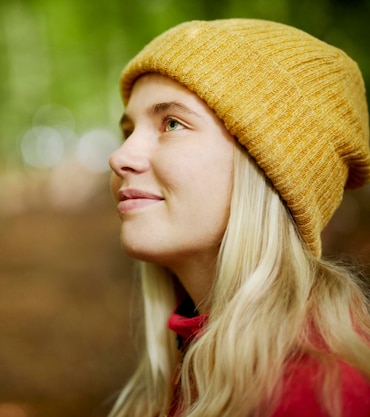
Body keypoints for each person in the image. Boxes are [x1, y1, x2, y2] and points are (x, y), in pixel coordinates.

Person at [107, 18, 370, 417]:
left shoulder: (318, 395)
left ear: (265, 168)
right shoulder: (198, 360)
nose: (120, 156)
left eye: (172, 123)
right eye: (129, 130)